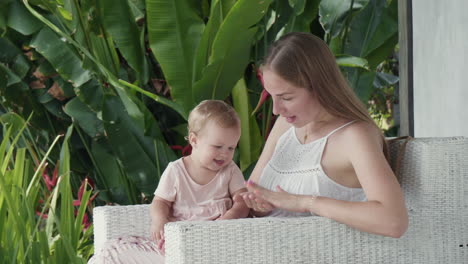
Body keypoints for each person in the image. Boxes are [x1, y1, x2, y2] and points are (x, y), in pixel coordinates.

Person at [240, 32, 408, 238]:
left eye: (286, 97)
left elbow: (393, 221)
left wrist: (304, 202)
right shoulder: (285, 124)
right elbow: (254, 192)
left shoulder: (354, 136)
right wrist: (260, 207)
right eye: (272, 97)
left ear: (319, 87)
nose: (275, 110)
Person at [89, 100, 249, 264]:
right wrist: (160, 220)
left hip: (212, 245)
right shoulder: (177, 171)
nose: (224, 154)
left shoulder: (229, 171)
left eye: (231, 148)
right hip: (177, 243)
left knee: (115, 253)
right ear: (194, 140)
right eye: (218, 146)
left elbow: (242, 200)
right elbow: (160, 201)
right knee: (113, 251)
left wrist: (232, 216)